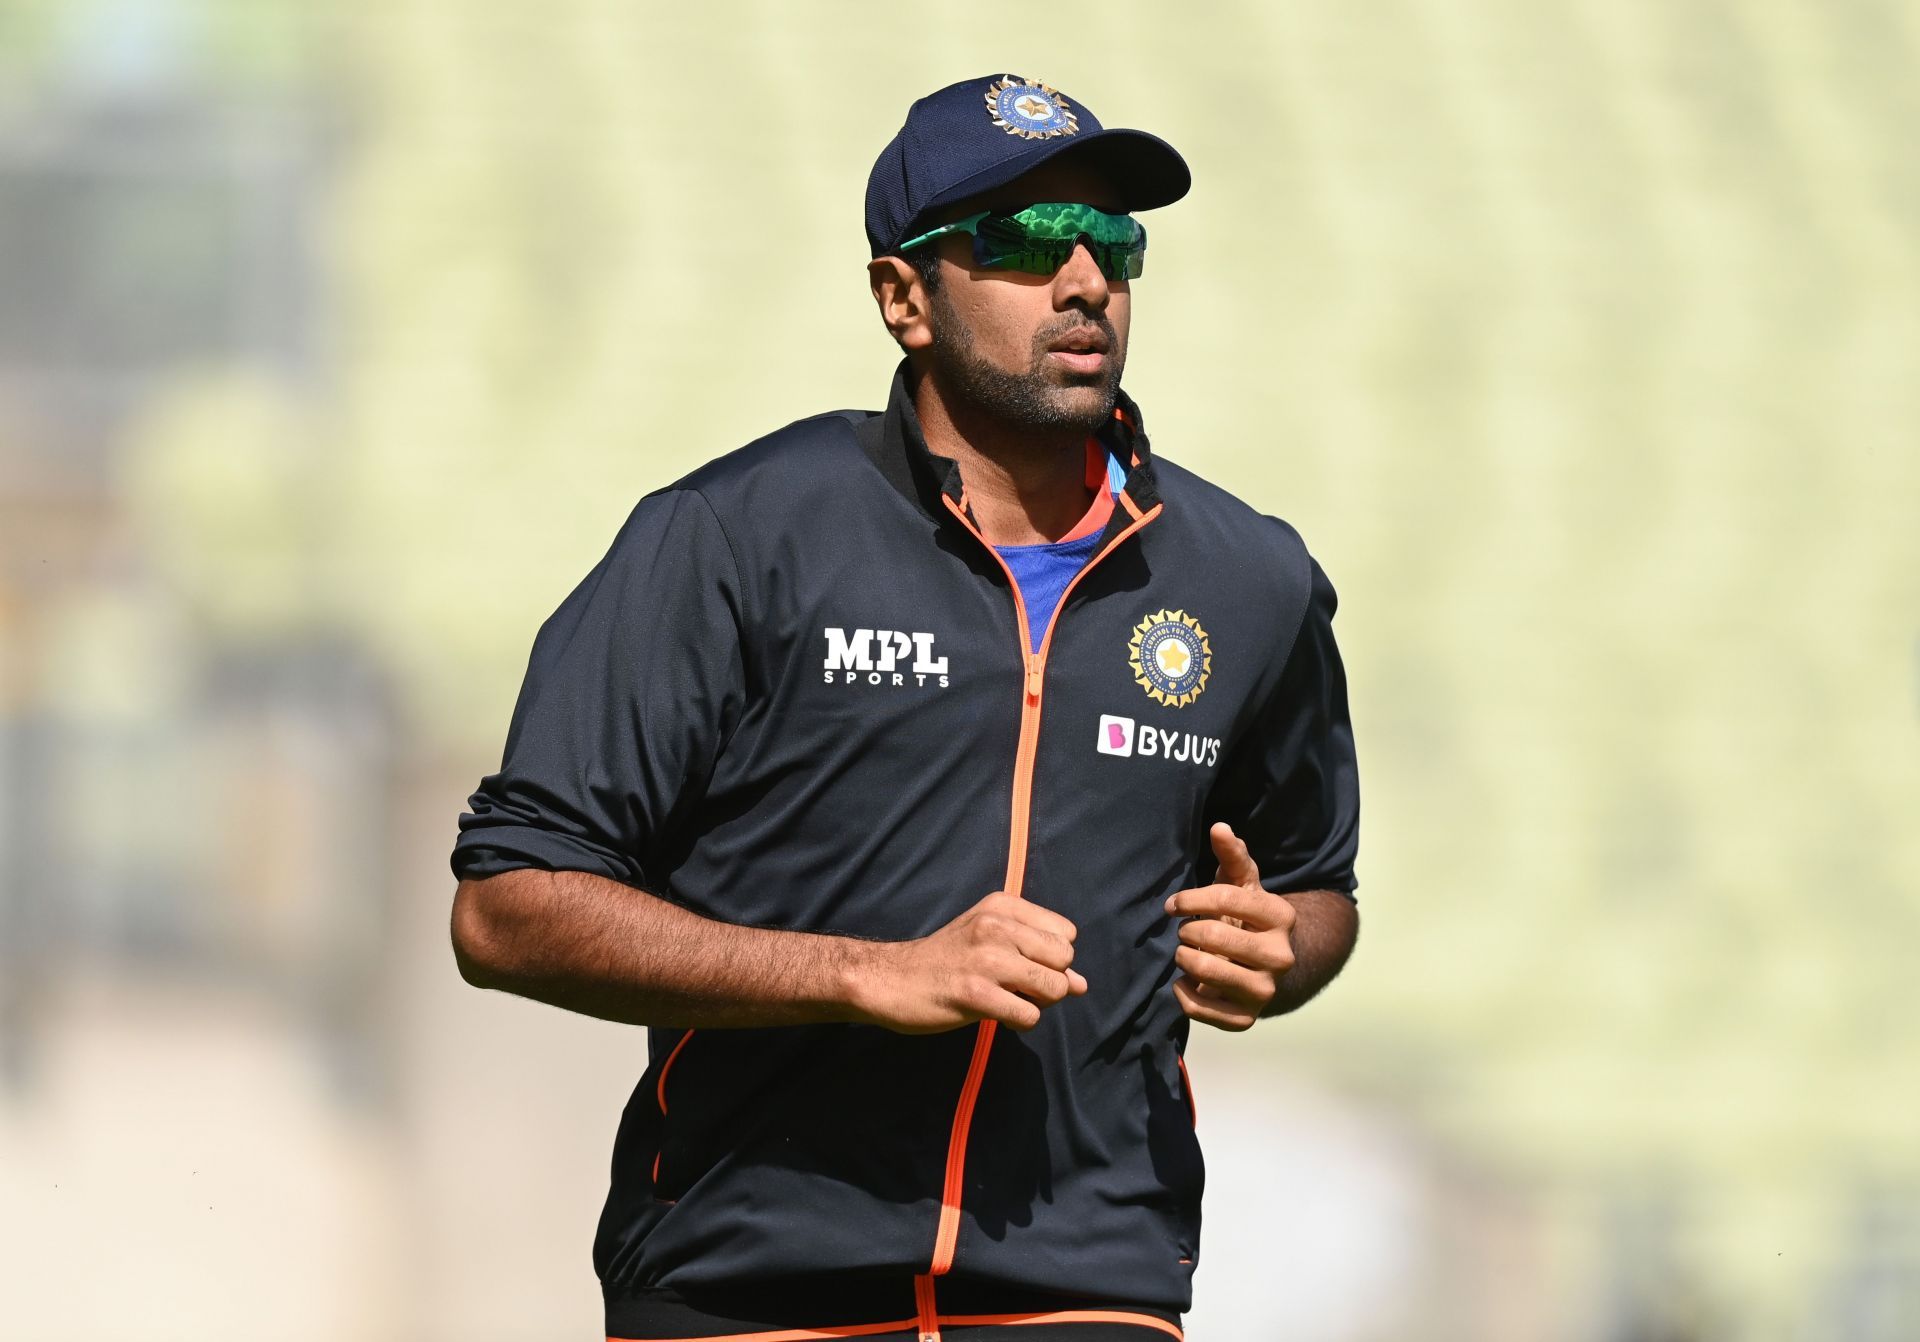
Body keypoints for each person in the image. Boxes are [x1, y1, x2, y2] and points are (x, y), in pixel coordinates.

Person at [449, 73, 1361, 1342]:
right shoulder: (733, 537)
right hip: (749, 1284)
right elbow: (505, 910)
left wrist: (1285, 948)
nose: (1087, 280)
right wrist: (866, 974)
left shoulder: (1249, 578)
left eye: (1115, 242)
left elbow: (1319, 891)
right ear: (902, 297)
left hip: (1087, 1285)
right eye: (1030, 242)